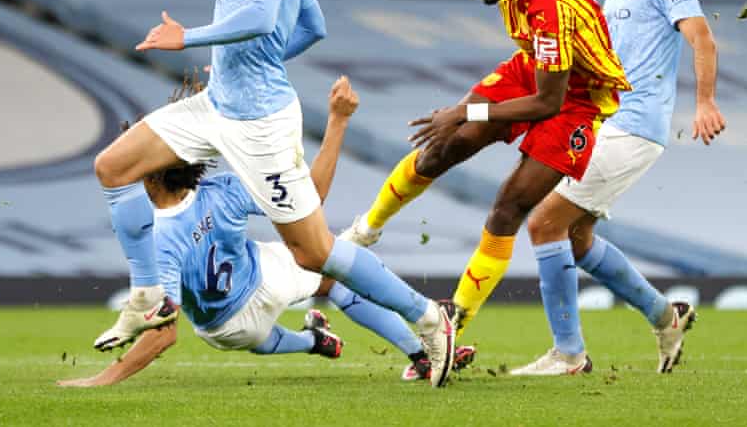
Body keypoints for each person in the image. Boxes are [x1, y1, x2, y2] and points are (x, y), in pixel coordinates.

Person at [92, 0, 454, 387]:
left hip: (257, 122)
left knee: (315, 253)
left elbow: (262, 15)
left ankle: (429, 319)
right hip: (219, 104)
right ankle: (148, 297)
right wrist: (236, 64)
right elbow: (313, 27)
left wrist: (185, 38)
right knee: (114, 166)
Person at [340, 0, 630, 367]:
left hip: (573, 98)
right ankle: (367, 229)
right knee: (443, 145)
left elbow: (547, 103)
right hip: (530, 67)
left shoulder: (547, 9)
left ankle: (453, 325)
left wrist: (465, 111)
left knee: (509, 204)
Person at [59, 77, 474, 387]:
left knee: (263, 336)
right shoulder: (222, 190)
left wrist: (104, 378)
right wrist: (337, 122)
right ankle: (422, 351)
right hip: (264, 281)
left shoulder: (155, 239)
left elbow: (163, 334)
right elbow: (309, 197)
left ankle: (314, 342)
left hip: (227, 328)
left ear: (149, 175)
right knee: (335, 273)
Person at [507, 0, 724, 375]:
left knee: (543, 221)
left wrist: (705, 103)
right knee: (575, 238)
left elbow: (702, 38)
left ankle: (568, 353)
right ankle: (665, 317)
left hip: (633, 124)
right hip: (608, 121)